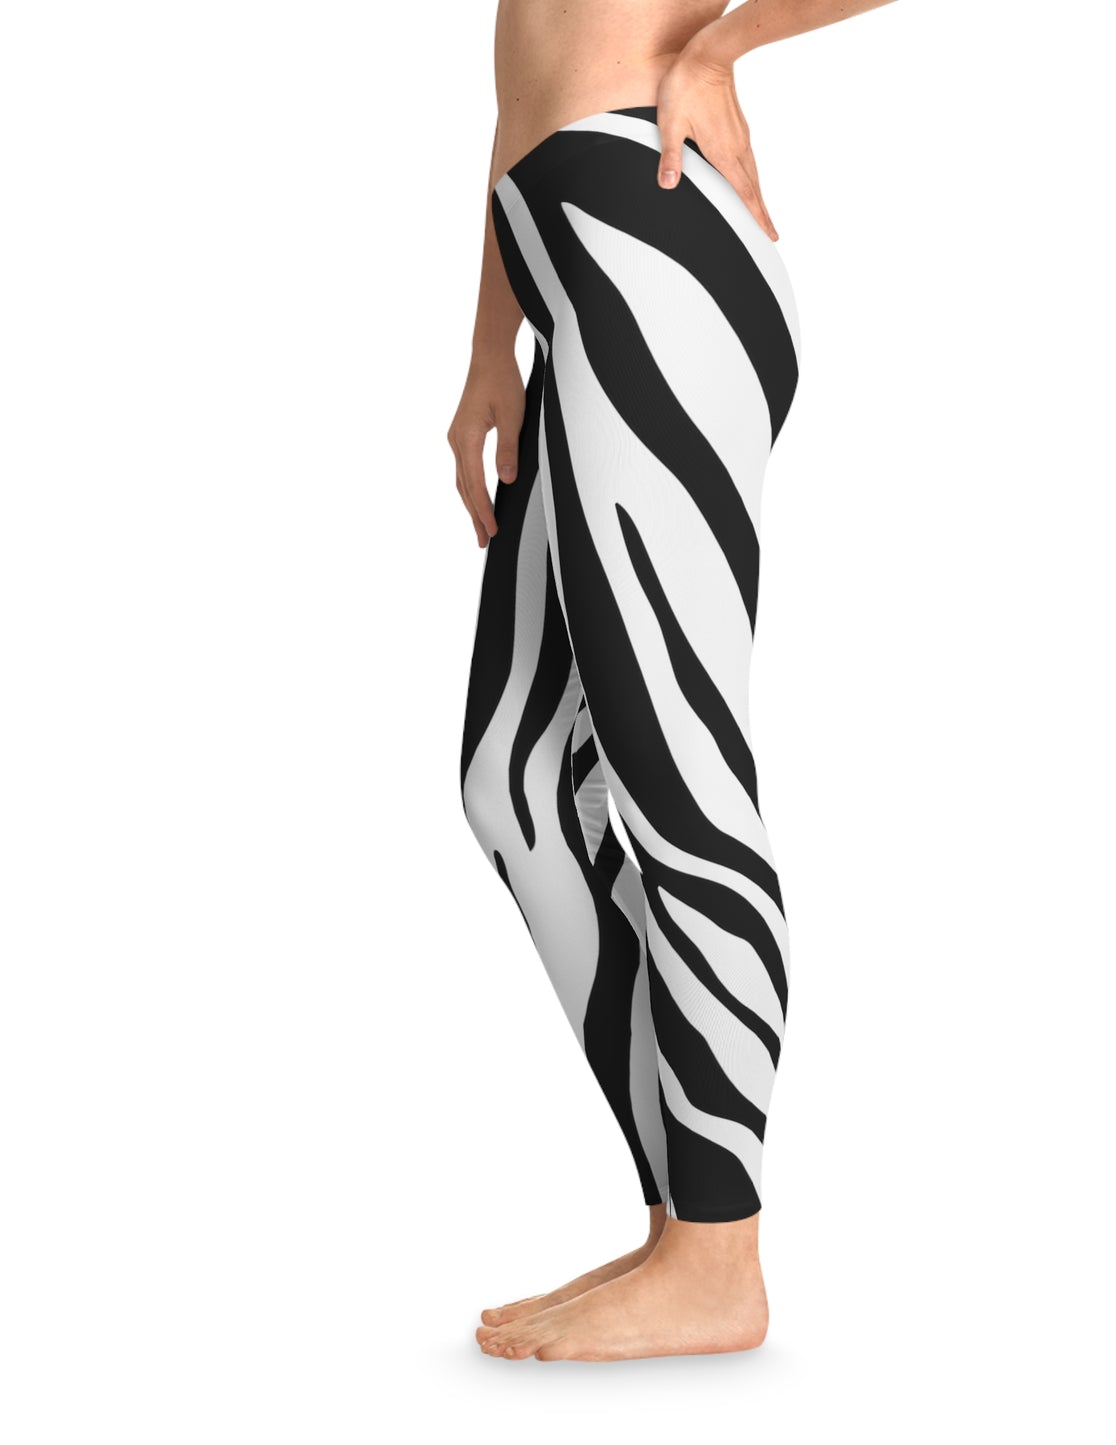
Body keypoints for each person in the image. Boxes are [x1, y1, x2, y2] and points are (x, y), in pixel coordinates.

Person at [450, 0, 894, 1363]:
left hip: (650, 236)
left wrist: (720, 48)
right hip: (564, 254)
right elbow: (527, 59)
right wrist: (492, 340)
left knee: (672, 776)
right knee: (516, 785)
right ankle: (677, 1214)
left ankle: (719, 1256)